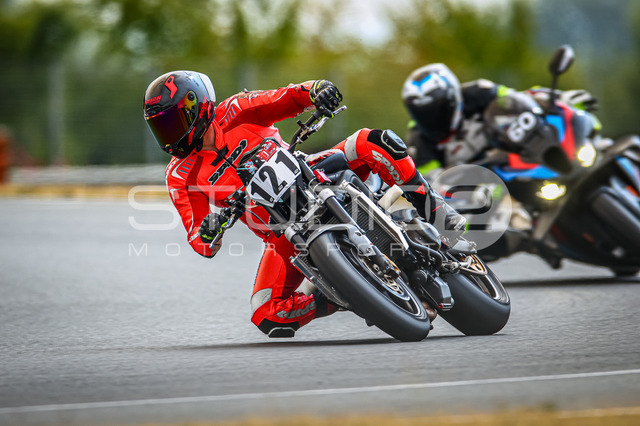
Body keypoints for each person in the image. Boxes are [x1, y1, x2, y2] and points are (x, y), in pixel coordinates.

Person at [143, 71, 465, 338]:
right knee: (265, 312)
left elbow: (286, 97)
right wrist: (210, 230)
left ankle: (435, 212)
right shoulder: (179, 175)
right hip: (281, 233)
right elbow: (198, 239)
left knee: (373, 141)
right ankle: (345, 293)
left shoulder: (237, 109)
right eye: (160, 128)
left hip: (312, 172)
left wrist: (316, 90)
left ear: (198, 107)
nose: (169, 136)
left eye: (172, 122)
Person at [401, 63, 598, 175]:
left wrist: (562, 97)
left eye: (438, 109)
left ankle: (600, 144)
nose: (432, 118)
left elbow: (522, 99)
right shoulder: (418, 142)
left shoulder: (478, 91)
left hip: (524, 154)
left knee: (590, 140)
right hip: (495, 184)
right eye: (422, 113)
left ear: (453, 98)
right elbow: (431, 183)